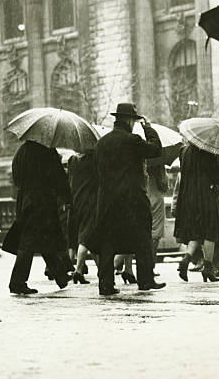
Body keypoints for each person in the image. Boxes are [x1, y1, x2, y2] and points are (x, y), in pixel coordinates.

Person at [86, 103, 165, 296]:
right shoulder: (133, 140)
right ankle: (145, 281)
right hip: (133, 200)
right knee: (142, 240)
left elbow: (95, 172)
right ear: (130, 121)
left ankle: (105, 285)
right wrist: (148, 128)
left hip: (107, 201)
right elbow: (155, 150)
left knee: (108, 243)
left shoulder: (101, 144)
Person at [3, 141, 72, 294]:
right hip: (43, 201)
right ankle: (17, 282)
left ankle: (60, 276)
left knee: (44, 239)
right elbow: (58, 177)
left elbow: (15, 177)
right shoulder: (47, 151)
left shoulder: (21, 151)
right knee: (29, 242)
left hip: (25, 199)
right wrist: (68, 197)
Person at [174, 144, 219, 283]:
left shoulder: (183, 151)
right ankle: (208, 268)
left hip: (189, 196)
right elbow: (216, 176)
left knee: (196, 232)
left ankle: (186, 259)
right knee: (210, 232)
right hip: (206, 196)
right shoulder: (207, 151)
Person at [67, 149, 99, 284]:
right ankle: (78, 271)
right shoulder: (93, 159)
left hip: (75, 201)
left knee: (92, 238)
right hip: (89, 202)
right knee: (85, 238)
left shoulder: (72, 160)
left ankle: (102, 270)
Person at [146, 163, 168, 276]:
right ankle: (150, 266)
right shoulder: (158, 161)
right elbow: (164, 184)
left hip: (144, 196)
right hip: (156, 198)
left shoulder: (140, 160)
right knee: (155, 235)